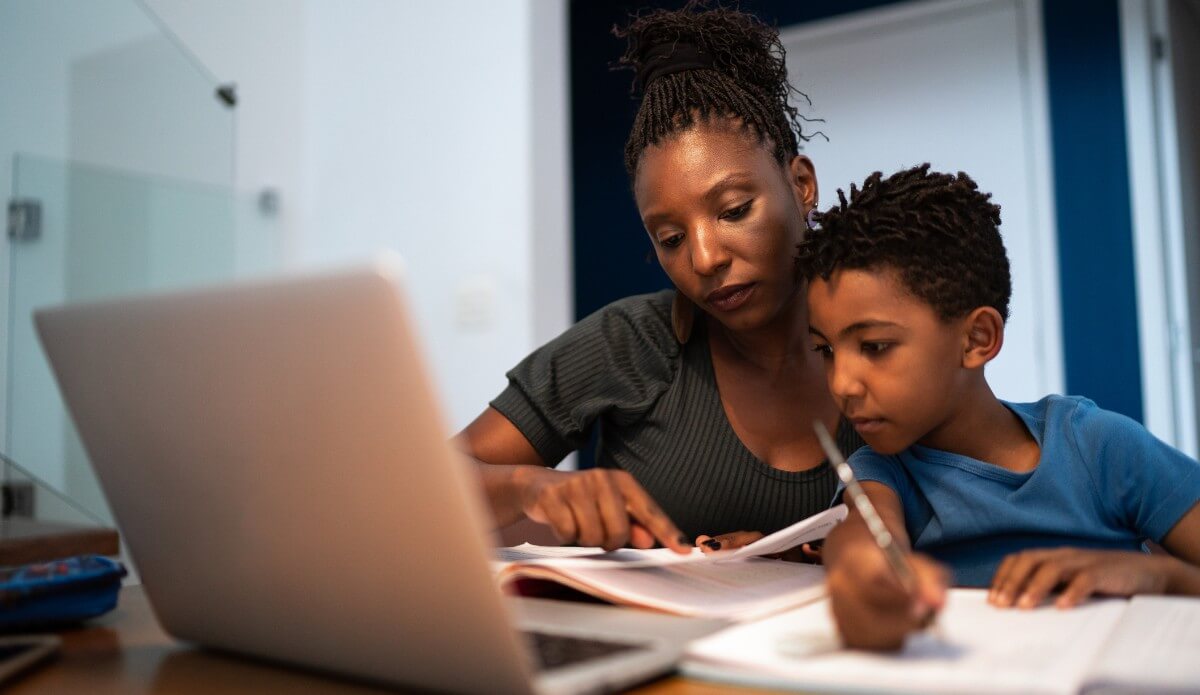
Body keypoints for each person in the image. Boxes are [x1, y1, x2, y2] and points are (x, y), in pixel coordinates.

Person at [458, 3, 864, 554]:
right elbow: (434, 480)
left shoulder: (877, 339)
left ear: (802, 185)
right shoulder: (628, 344)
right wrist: (529, 486)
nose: (703, 259)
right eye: (670, 238)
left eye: (734, 210)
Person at [797, 163, 1200, 649]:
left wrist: (1157, 577)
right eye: (825, 351)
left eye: (876, 346)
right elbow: (865, 540)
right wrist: (865, 575)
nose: (841, 383)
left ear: (977, 338)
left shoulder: (1099, 446)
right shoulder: (883, 471)